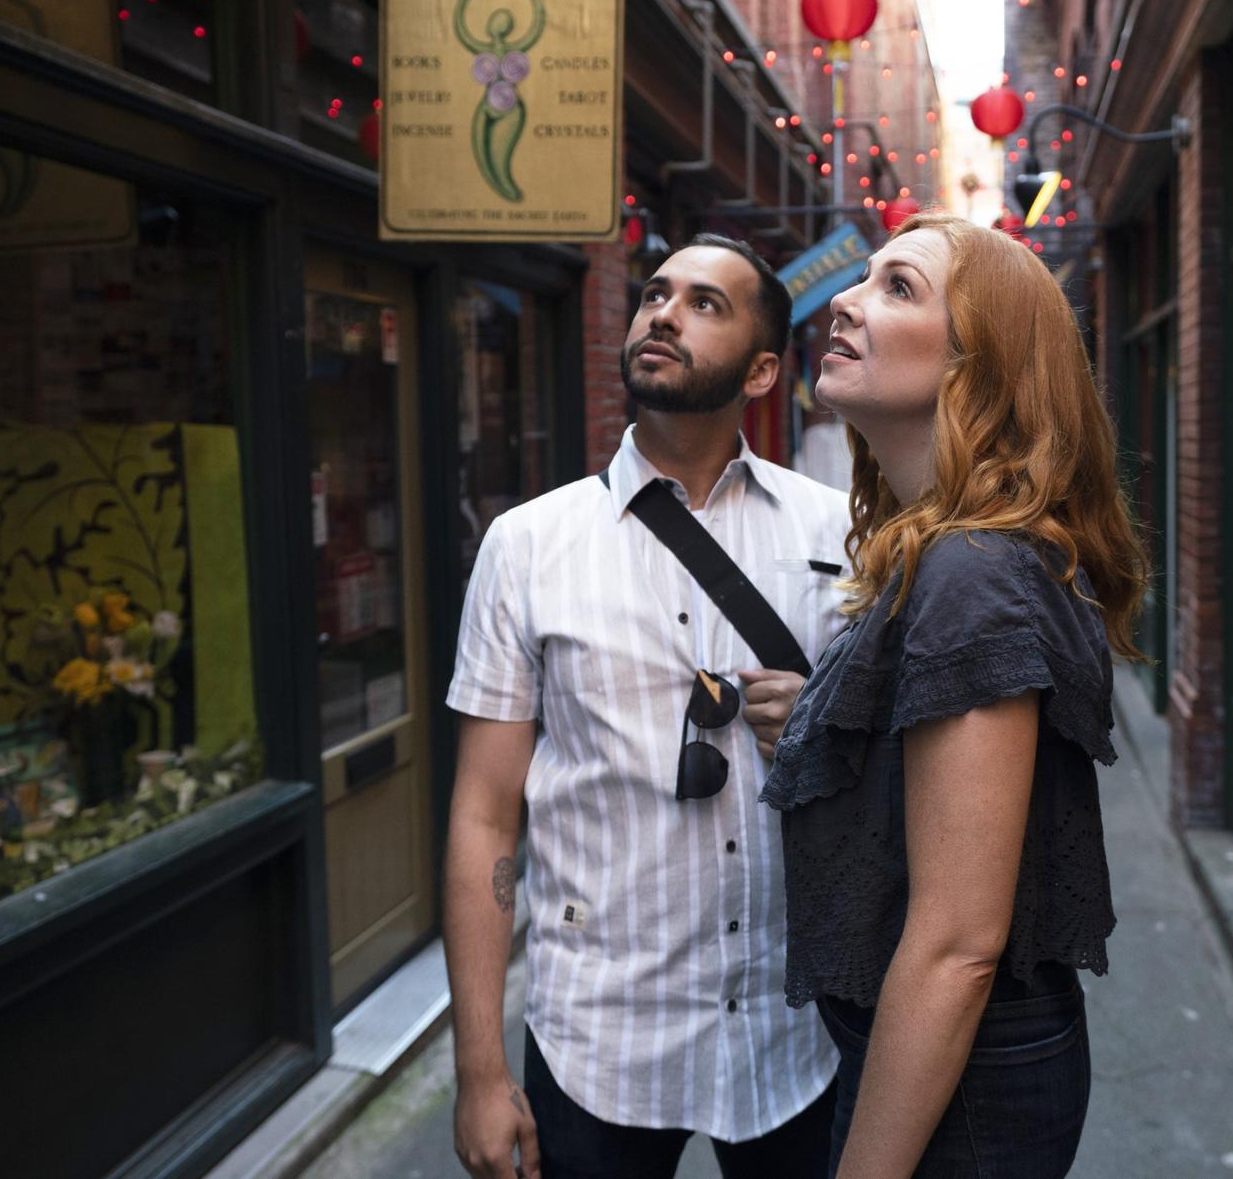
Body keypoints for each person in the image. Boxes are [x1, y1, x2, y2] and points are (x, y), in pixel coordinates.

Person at [445, 234, 852, 1179]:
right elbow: (482, 811)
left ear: (760, 369)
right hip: (599, 1036)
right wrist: (478, 1067)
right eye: (656, 295)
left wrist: (831, 732)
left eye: (706, 303)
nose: (663, 312)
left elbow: (919, 779)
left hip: (797, 1028)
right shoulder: (527, 545)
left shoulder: (840, 533)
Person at [760, 213, 1148, 1178]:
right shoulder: (951, 552)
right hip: (953, 1072)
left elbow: (958, 946)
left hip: (964, 1096)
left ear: (979, 368)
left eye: (898, 288)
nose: (845, 300)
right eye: (865, 280)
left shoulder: (975, 571)